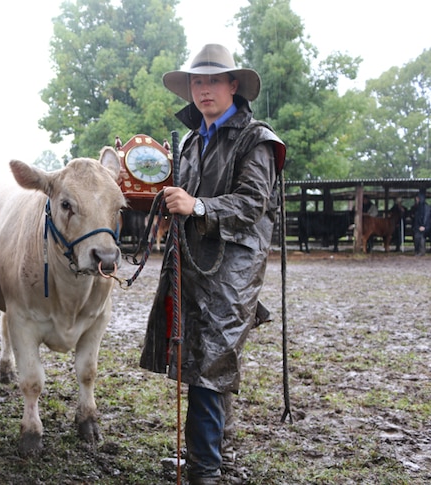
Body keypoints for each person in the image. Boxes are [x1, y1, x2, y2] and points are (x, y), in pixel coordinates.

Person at [140, 44, 286, 485]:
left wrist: (198, 206)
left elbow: (252, 203)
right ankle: (214, 453)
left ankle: (203, 470)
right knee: (198, 361)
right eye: (197, 82)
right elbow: (184, 201)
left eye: (213, 81)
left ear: (233, 85)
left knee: (208, 367)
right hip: (188, 264)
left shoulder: (255, 140)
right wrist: (170, 204)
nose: (204, 90)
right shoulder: (187, 141)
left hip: (231, 273)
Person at [411, 192, 429, 256]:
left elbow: (426, 217)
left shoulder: (426, 207)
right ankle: (418, 251)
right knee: (417, 238)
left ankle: (421, 251)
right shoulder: (417, 207)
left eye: (417, 198)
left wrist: (423, 226)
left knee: (420, 237)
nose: (416, 199)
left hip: (423, 226)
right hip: (418, 226)